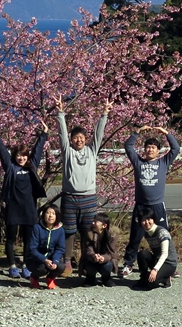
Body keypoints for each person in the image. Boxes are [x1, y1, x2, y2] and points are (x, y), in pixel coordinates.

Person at [55, 94, 112, 276]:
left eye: (81, 137)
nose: (78, 140)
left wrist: (104, 114)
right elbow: (62, 134)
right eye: (75, 137)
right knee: (69, 231)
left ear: (85, 139)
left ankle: (86, 261)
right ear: (71, 140)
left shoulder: (91, 150)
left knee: (88, 232)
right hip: (70, 197)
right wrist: (60, 113)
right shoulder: (67, 152)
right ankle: (67, 262)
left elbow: (99, 134)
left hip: (89, 197)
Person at [121, 124, 180, 278]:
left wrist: (166, 133)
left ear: (158, 150)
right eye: (148, 147)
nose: (150, 150)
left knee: (163, 235)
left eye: (153, 147)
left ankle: (168, 265)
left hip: (157, 205)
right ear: (144, 149)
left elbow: (176, 149)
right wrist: (138, 132)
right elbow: (128, 146)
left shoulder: (163, 162)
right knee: (135, 235)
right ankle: (128, 263)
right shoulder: (138, 162)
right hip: (141, 206)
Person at [0, 122, 48, 278]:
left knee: (29, 240)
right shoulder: (10, 168)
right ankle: (12, 266)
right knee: (11, 238)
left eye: (24, 155)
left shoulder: (32, 166)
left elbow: (38, 150)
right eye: (18, 155)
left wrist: (44, 134)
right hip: (13, 208)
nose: (21, 158)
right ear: (14, 156)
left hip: (29, 209)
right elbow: (2, 152)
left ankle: (26, 265)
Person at [134, 206, 178, 289]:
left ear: (154, 219)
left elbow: (164, 254)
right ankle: (143, 278)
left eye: (149, 219)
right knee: (142, 254)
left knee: (151, 282)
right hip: (158, 260)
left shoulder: (162, 232)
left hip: (169, 263)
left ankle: (165, 278)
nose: (146, 222)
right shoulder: (146, 233)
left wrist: (155, 270)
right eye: (143, 220)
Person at [25, 202, 66, 289]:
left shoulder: (60, 230)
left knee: (61, 267)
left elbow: (60, 248)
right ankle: (34, 278)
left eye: (53, 214)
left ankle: (50, 278)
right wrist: (44, 260)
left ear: (57, 216)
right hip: (35, 259)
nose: (50, 216)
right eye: (48, 213)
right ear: (43, 215)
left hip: (51, 258)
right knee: (43, 268)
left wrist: (55, 260)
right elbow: (32, 249)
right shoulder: (37, 228)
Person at [80, 212, 117, 287]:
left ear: (104, 225)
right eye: (93, 221)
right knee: (89, 265)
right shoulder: (89, 233)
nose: (93, 223)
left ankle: (106, 278)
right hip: (91, 259)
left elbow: (111, 253)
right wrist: (94, 256)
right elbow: (88, 250)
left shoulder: (112, 235)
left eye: (96, 221)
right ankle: (90, 278)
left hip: (105, 260)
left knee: (107, 266)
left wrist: (104, 258)